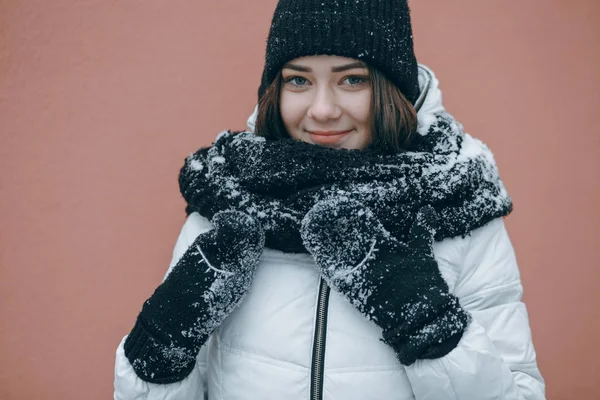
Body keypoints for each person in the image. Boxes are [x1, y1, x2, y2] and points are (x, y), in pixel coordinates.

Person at [114, 0, 546, 399]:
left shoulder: (456, 204)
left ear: (391, 86)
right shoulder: (229, 202)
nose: (321, 109)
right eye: (298, 80)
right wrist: (161, 349)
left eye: (352, 79)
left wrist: (431, 329)